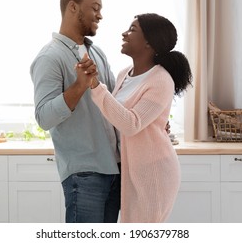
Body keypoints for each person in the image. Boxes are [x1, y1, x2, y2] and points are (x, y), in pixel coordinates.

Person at [76, 13, 192, 222]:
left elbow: (131, 124)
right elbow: (115, 116)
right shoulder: (124, 74)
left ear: (149, 42)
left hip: (154, 172)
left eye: (132, 30)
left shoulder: (161, 80)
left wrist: (95, 85)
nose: (124, 34)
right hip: (130, 171)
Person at [30, 0, 121, 223]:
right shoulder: (49, 58)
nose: (100, 15)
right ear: (73, 7)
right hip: (84, 174)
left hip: (114, 169)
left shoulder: (97, 53)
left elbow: (115, 102)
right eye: (95, 7)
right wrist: (80, 85)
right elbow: (44, 118)